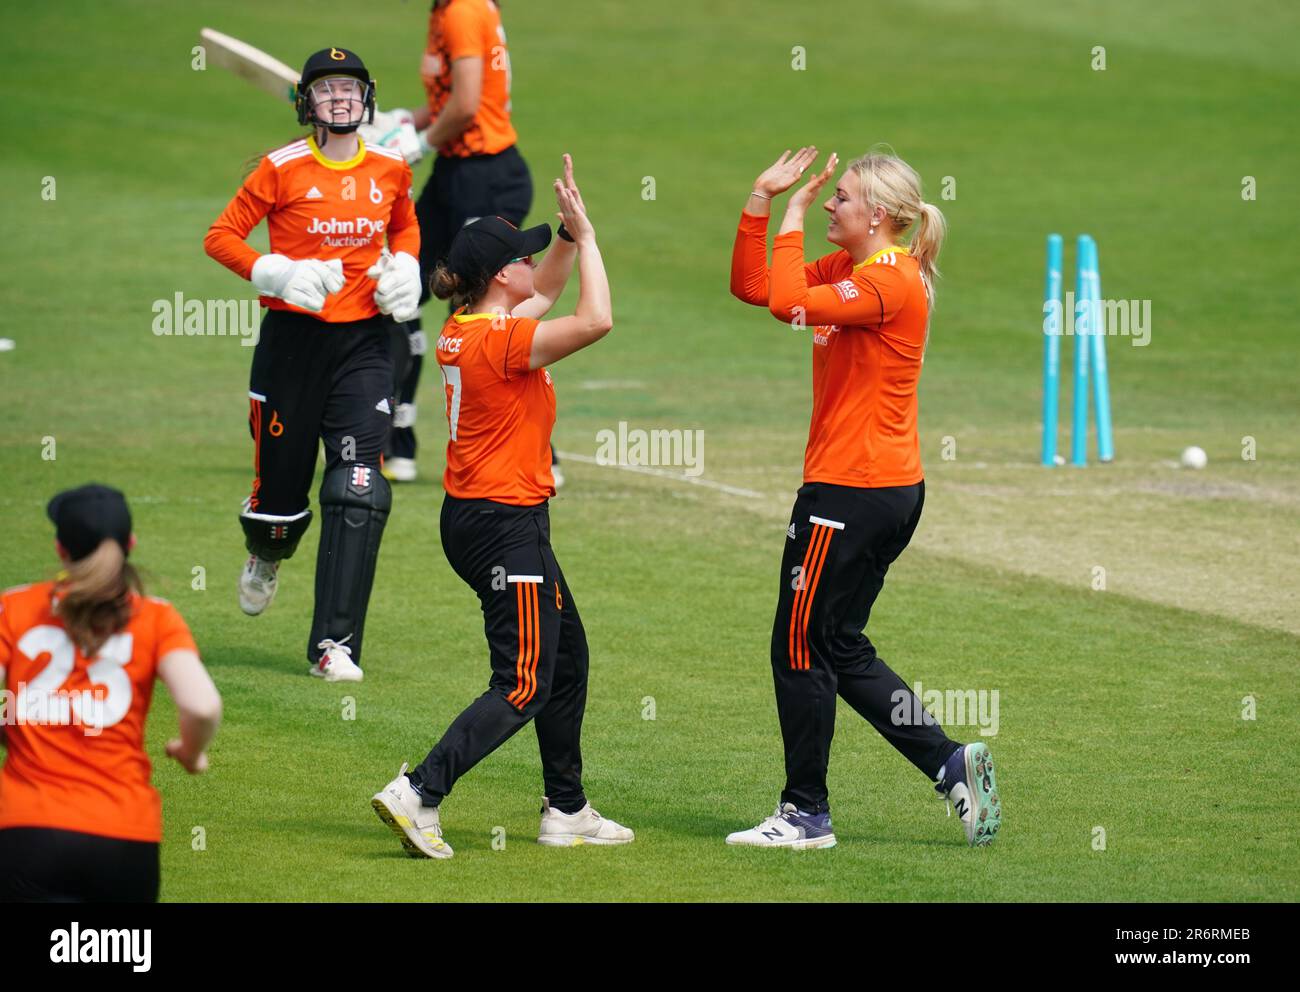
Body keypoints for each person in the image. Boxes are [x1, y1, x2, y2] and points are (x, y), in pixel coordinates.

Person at [725, 146, 1002, 849]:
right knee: (838, 644)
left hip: (850, 493)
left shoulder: (889, 280)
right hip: (879, 490)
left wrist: (787, 213)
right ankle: (948, 762)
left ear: (876, 214)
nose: (828, 203)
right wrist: (760, 202)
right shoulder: (854, 270)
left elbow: (788, 304)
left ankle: (804, 814)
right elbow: (756, 287)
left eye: (840, 197)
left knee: (797, 644)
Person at [370, 156, 630, 858]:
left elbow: (545, 290)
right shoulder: (504, 342)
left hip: (488, 518)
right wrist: (595, 242)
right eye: (525, 252)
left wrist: (571, 236)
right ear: (500, 274)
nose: (535, 257)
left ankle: (567, 809)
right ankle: (419, 792)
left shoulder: (470, 326)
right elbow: (595, 318)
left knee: (566, 659)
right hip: (503, 525)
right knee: (523, 682)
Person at [205, 47, 422, 682]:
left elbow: (405, 228)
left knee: (358, 488)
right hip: (292, 347)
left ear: (367, 99)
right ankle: (266, 553)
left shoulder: (390, 169)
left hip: (364, 346)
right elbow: (220, 237)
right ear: (308, 103)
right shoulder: (281, 169)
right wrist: (275, 270)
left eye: (350, 90)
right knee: (279, 500)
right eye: (327, 90)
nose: (340, 99)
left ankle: (335, 646)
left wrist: (405, 267)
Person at [364, 0, 565, 487]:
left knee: (481, 308)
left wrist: (422, 142)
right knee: (404, 281)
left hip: (486, 174)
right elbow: (452, 103)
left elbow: (469, 106)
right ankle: (397, 442)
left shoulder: (461, 10)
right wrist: (404, 121)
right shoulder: (447, 11)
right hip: (458, 173)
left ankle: (540, 452)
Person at [0, 484, 221, 902]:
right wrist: (190, 752)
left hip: (26, 833)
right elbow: (202, 705)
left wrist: (10, 717)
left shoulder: (14, 608)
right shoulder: (156, 617)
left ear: (60, 549)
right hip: (125, 840)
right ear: (130, 544)